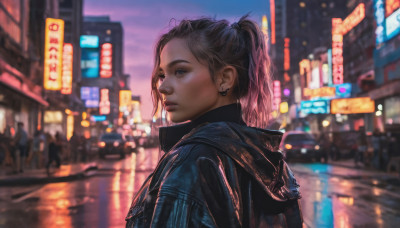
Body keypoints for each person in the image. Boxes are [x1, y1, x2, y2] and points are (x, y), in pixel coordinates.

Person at [125, 16, 302, 227]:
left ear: (224, 79)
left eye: (180, 71)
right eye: (163, 75)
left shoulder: (192, 162)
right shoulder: (272, 162)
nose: (163, 87)